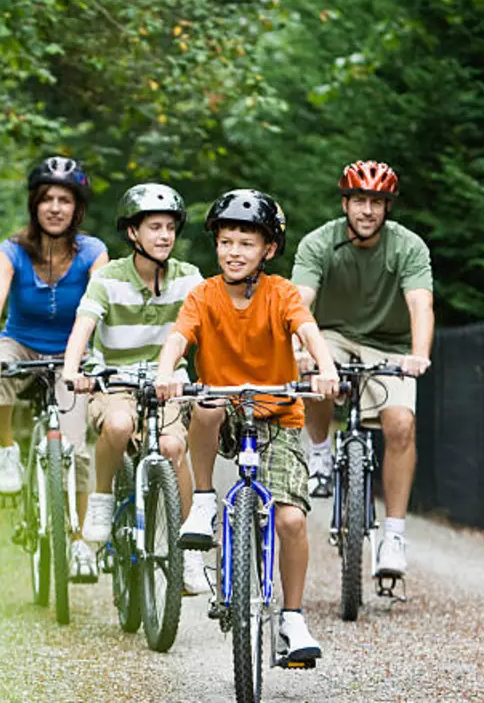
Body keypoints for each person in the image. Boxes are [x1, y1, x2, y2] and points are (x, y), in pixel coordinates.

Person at [156, 188, 339, 663]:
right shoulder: (204, 294)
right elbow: (178, 338)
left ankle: (292, 618)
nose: (233, 252)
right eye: (225, 242)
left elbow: (307, 330)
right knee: (208, 403)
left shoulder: (282, 293)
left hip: (276, 415)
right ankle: (201, 503)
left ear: (269, 250)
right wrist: (164, 371)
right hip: (227, 411)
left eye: (246, 243)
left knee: (291, 518)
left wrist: (325, 367)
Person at [61, 182, 207, 594]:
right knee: (120, 424)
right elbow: (82, 330)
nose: (164, 236)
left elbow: (212, 326)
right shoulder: (107, 279)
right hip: (114, 381)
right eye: (154, 227)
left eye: (170, 228)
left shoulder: (188, 277)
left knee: (175, 448)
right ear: (132, 233)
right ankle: (103, 501)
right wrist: (74, 371)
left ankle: (189, 553)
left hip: (166, 382)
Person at [291, 160, 433, 578]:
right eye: (359, 201)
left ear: (387, 207)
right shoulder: (320, 243)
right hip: (330, 334)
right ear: (344, 203)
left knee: (401, 424)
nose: (367, 210)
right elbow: (300, 302)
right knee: (316, 377)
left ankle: (393, 535)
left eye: (377, 202)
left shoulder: (408, 247)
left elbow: (420, 304)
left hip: (388, 344)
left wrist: (419, 354)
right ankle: (318, 454)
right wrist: (301, 348)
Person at [0, 155, 109, 581]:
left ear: (77, 208)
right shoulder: (11, 250)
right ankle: (8, 449)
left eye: (64, 200)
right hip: (24, 344)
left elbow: (104, 309)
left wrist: (97, 361)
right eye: (47, 198)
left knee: (77, 448)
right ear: (35, 205)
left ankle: (78, 543)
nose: (55, 207)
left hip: (72, 355)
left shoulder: (93, 252)